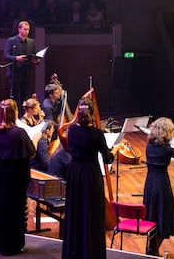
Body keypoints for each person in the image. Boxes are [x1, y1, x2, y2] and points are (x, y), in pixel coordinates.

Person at [61, 97, 115, 259]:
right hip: (90, 174)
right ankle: (90, 253)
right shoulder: (97, 134)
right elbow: (108, 158)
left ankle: (74, 252)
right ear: (92, 113)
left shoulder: (72, 131)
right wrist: (116, 150)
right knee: (91, 212)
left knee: (76, 210)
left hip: (75, 172)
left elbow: (71, 149)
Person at [0, 99, 37, 256]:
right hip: (17, 175)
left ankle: (2, 244)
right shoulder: (20, 133)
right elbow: (31, 152)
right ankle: (15, 245)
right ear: (15, 113)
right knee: (16, 211)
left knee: (3, 208)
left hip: (2, 174)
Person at [143, 117, 174, 256]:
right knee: (162, 217)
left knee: (152, 215)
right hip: (162, 185)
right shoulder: (167, 150)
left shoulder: (149, 146)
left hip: (150, 184)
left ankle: (151, 248)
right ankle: (153, 250)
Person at [3, 21, 39, 104]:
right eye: (25, 29)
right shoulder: (11, 40)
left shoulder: (31, 42)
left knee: (24, 96)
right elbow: (5, 56)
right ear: (19, 29)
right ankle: (15, 115)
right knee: (14, 96)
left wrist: (36, 60)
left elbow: (33, 55)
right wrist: (16, 58)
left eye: (28, 30)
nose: (27, 31)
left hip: (26, 73)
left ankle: (23, 115)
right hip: (14, 73)